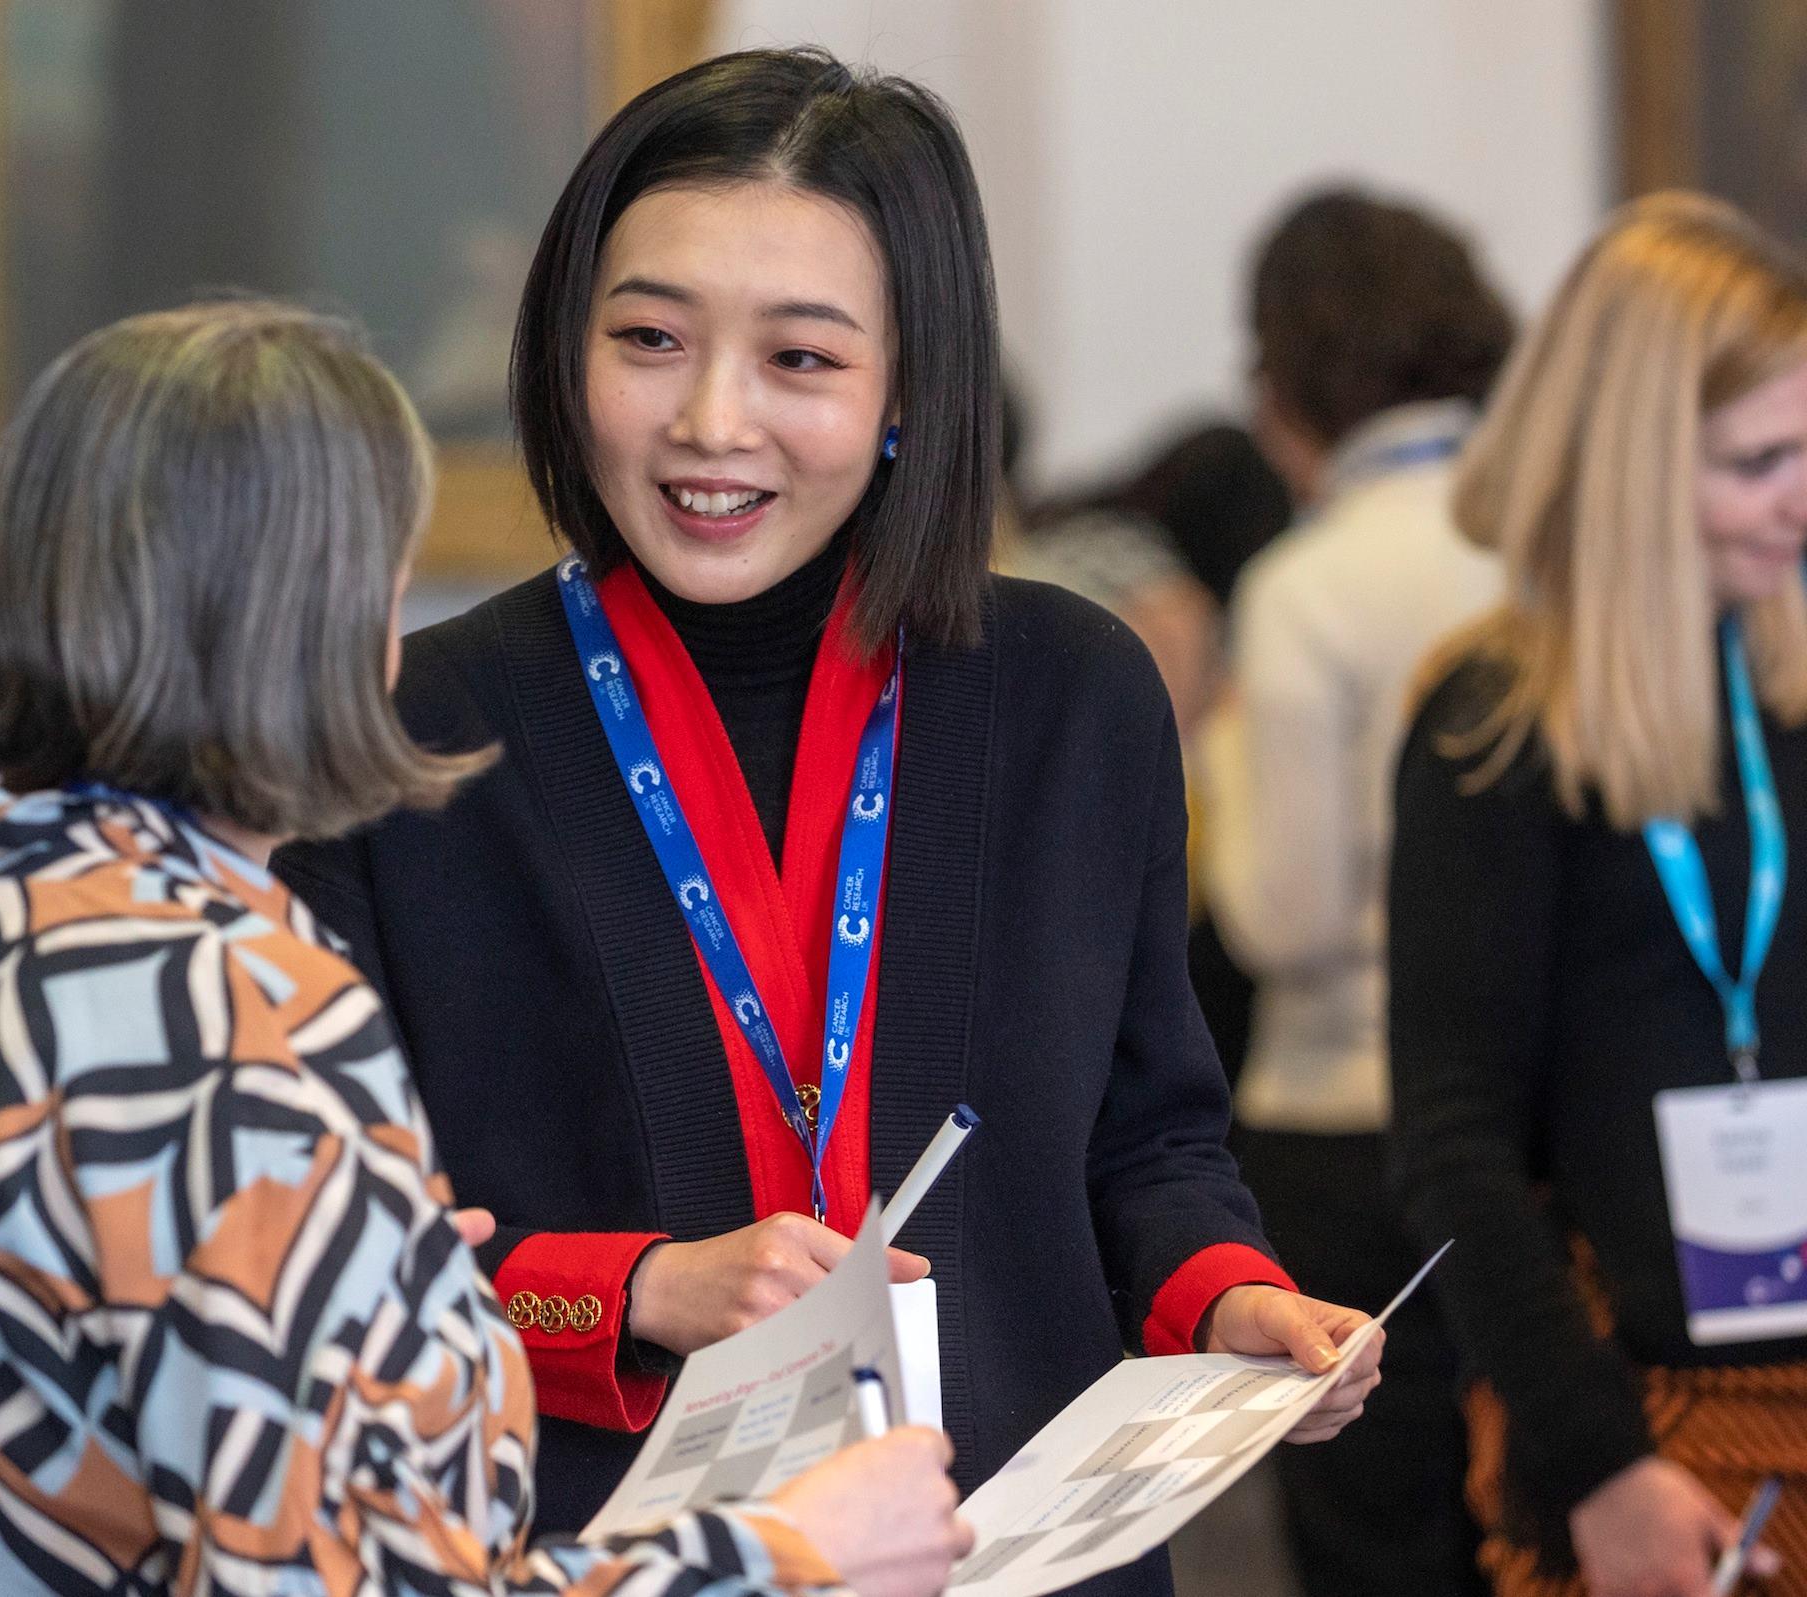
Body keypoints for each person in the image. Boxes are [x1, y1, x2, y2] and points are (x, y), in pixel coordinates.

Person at [276, 49, 1382, 1590]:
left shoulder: (1077, 695)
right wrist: (638, 1287)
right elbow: (336, 1248)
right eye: (650, 339)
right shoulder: (401, 736)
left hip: (1023, 1545)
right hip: (616, 1550)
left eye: (800, 360)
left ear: (909, 390)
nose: (711, 421)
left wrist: (1230, 1295)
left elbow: (1150, 1136)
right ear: (563, 350)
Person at [0, 300, 968, 1597]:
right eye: (384, 591)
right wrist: (788, 1553)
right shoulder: (224, 1003)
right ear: (306, 618)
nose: (392, 649)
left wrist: (384, 1285)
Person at [1389, 192, 1807, 1597]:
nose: (1802, 496)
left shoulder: (1787, 687)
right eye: (1761, 460)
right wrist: (1602, 1462)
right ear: (1634, 468)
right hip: (1644, 1421)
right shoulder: (1496, 728)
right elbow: (1454, 1145)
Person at [1199, 187, 1514, 1597]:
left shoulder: (1306, 585)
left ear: (1287, 381)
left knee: (1378, 1546)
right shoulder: (1547, 551)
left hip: (1343, 1122)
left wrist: (1210, 767)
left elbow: (1284, 912)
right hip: (1528, 1115)